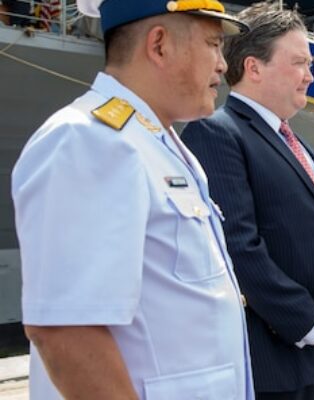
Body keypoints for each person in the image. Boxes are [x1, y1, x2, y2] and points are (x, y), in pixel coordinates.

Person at [11, 0, 252, 399]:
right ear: (159, 45)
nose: (223, 64)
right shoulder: (89, 140)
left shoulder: (158, 143)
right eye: (212, 44)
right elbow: (67, 331)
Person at [181, 5, 314, 400]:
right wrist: (313, 323)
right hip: (270, 363)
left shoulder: (303, 149)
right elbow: (239, 248)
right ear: (254, 67)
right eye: (299, 62)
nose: (310, 75)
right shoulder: (216, 134)